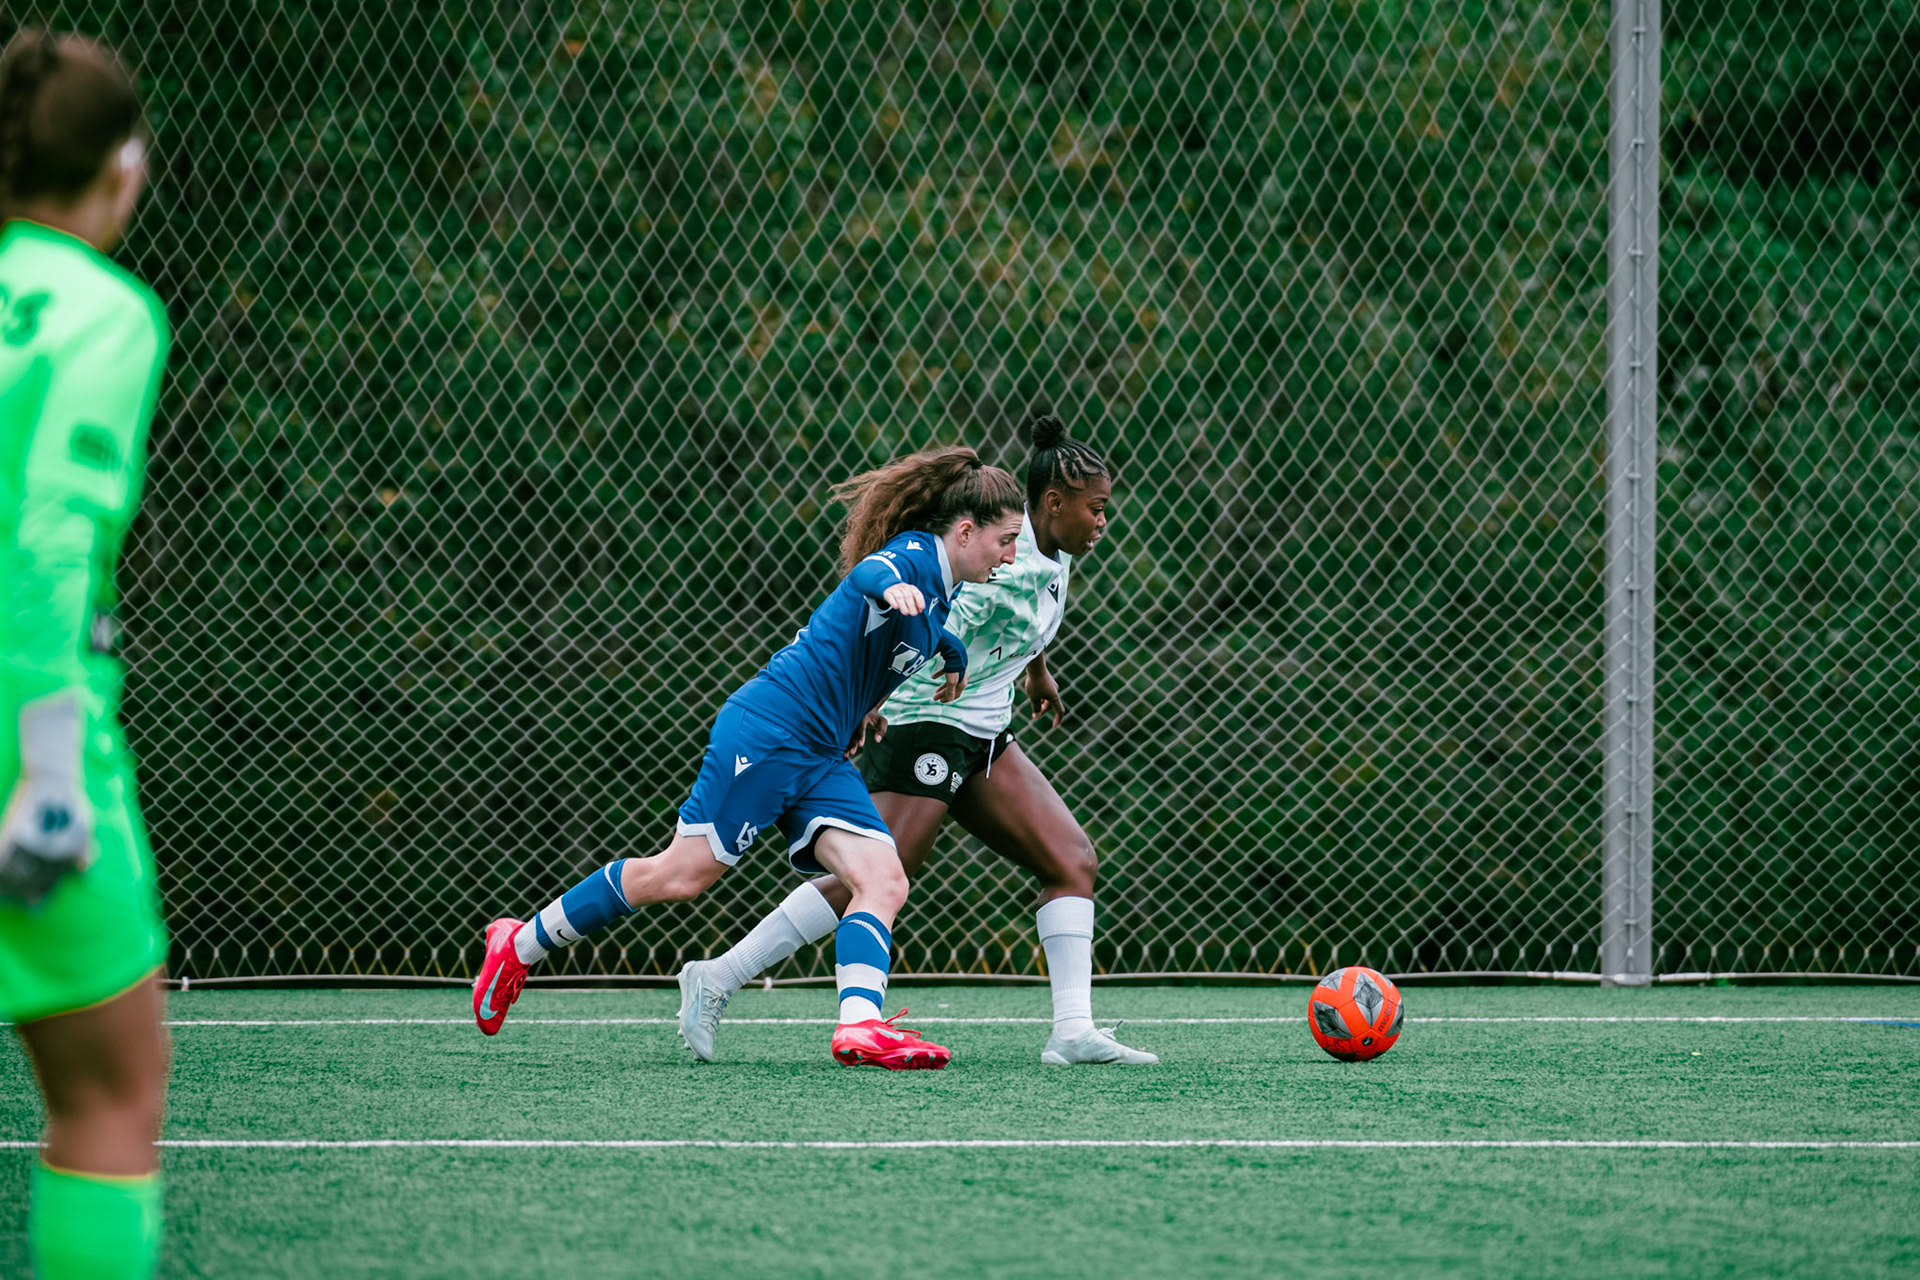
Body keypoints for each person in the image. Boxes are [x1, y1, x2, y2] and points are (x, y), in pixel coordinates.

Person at [472, 446, 1026, 1069]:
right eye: (1005, 540)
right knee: (682, 876)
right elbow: (870, 576)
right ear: (965, 531)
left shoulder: (945, 590)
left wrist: (946, 654)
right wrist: (889, 585)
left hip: (819, 753)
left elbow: (899, 635)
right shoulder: (916, 556)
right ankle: (519, 944)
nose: (1011, 555)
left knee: (883, 879)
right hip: (770, 731)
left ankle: (861, 1026)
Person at [678, 414, 1157, 1066]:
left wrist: (1036, 671)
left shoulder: (1049, 551)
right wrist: (869, 707)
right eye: (1095, 508)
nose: (1103, 520)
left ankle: (1072, 1031)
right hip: (920, 725)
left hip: (984, 733)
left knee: (1071, 860)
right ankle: (719, 976)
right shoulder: (1001, 559)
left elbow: (1028, 620)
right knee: (876, 876)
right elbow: (919, 630)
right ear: (1053, 503)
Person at [0, 29, 171, 1280]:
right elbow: (48, 543)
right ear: (121, 166)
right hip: (33, 731)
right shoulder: (105, 311)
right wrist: (49, 773)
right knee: (109, 1095)